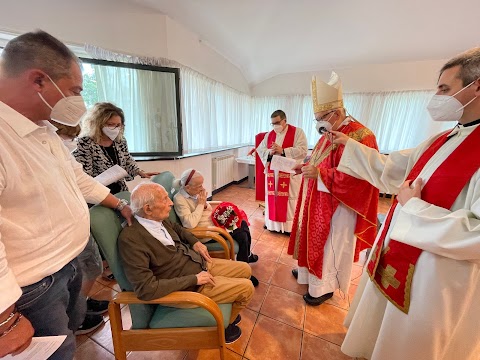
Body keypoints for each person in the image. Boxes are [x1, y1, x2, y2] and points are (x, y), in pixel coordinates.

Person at [331, 48, 480, 360]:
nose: (436, 97)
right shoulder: (443, 138)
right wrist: (350, 147)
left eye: (444, 89)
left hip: (438, 279)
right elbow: (393, 169)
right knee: (386, 332)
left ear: (476, 86)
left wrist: (413, 208)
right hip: (399, 254)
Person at [0, 30, 134, 359]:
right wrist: (4, 317)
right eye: (75, 90)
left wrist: (119, 203)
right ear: (39, 81)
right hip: (35, 285)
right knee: (59, 351)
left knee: (70, 331)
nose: (80, 100)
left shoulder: (43, 129)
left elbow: (77, 179)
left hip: (68, 263)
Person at [118, 183, 255, 344]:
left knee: (245, 269)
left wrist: (195, 242)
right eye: (165, 199)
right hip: (189, 287)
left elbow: (178, 229)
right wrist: (195, 279)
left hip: (197, 263)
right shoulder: (131, 240)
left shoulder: (157, 219)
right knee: (247, 289)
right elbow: (145, 289)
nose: (170, 202)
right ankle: (223, 327)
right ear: (148, 209)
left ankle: (227, 304)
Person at [287, 72, 379, 306]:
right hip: (315, 197)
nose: (318, 123)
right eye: (316, 118)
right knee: (309, 235)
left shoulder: (361, 136)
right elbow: (319, 160)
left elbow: (360, 179)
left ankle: (323, 287)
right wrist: (305, 166)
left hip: (339, 206)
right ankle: (307, 273)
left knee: (330, 246)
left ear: (336, 113)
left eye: (321, 117)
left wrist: (320, 175)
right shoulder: (328, 133)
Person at [52, 121, 109, 334]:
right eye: (68, 137)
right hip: (61, 231)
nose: (72, 142)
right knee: (79, 271)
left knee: (87, 269)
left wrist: (119, 204)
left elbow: (81, 181)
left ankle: (80, 304)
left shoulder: (60, 150)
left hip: (76, 225)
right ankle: (76, 314)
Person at [173, 169, 259, 286]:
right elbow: (189, 224)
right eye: (199, 186)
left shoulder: (193, 192)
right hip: (205, 232)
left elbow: (206, 209)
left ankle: (247, 256)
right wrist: (200, 204)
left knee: (242, 223)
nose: (202, 188)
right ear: (187, 188)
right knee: (242, 234)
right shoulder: (179, 199)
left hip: (213, 223)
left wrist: (204, 205)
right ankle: (245, 270)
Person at [73, 102, 159, 194]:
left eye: (118, 125)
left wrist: (139, 172)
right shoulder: (84, 143)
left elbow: (127, 159)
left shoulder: (120, 140)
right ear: (98, 124)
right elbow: (84, 176)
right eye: (111, 124)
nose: (115, 128)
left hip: (120, 191)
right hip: (98, 195)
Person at [256, 110, 308, 234]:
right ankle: (272, 224)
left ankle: (289, 228)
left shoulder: (298, 132)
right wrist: (270, 152)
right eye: (273, 123)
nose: (275, 126)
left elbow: (303, 150)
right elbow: (260, 149)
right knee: (273, 198)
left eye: (277, 123)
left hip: (289, 173)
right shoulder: (269, 134)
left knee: (289, 199)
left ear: (284, 120)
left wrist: (283, 150)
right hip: (273, 174)